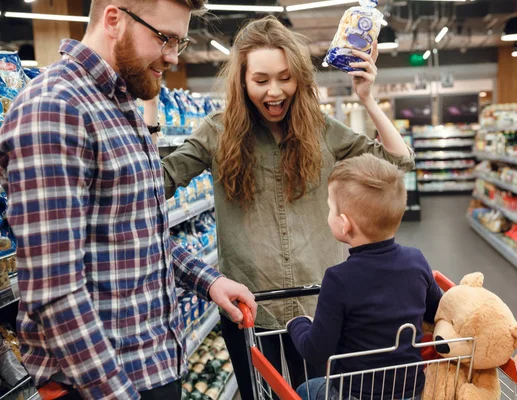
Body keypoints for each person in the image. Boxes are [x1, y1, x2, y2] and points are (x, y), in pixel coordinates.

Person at [0, 1, 256, 399]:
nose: (173, 55)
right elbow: (53, 292)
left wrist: (209, 281)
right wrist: (116, 393)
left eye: (180, 41)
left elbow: (136, 232)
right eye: (165, 38)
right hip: (102, 384)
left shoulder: (120, 105)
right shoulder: (55, 108)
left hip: (150, 368)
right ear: (114, 19)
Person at [152, 16, 415, 399]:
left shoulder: (321, 129)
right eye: (261, 80)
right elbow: (155, 183)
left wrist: (367, 98)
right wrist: (146, 116)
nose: (274, 91)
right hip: (253, 314)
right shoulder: (217, 132)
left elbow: (397, 163)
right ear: (242, 81)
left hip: (322, 311)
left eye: (285, 77)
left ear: (300, 79)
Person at [287, 154, 443, 400]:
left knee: (304, 390)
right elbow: (437, 311)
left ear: (345, 224)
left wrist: (297, 323)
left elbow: (317, 352)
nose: (328, 213)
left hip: (357, 393)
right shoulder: (416, 260)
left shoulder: (338, 279)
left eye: (330, 208)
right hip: (412, 390)